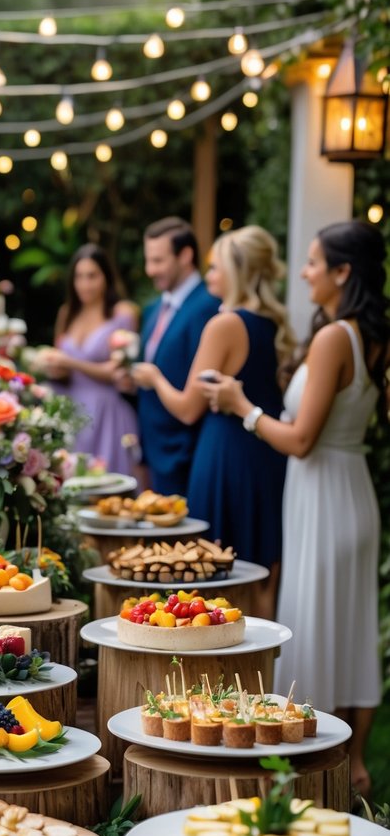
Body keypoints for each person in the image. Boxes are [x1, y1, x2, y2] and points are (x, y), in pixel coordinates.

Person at [205, 221, 389, 798]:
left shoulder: (336, 336)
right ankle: (354, 764)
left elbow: (301, 439)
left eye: (313, 262)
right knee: (354, 630)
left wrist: (243, 406)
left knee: (312, 626)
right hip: (351, 486)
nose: (303, 272)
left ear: (343, 272)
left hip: (322, 491)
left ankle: (309, 764)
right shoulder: (372, 334)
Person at [132, 226, 295, 617]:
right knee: (260, 578)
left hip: (226, 458)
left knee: (219, 579)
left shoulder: (224, 325)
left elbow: (188, 407)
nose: (208, 278)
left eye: (215, 268)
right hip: (266, 458)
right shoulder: (272, 323)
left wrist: (154, 378)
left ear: (237, 271)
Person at [127, 217, 220, 494]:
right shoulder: (152, 308)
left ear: (186, 255)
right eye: (148, 260)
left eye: (158, 261)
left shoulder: (208, 305)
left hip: (186, 453)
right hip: (152, 450)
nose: (150, 270)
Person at [39, 244, 142, 476]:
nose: (85, 284)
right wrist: (52, 368)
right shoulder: (67, 313)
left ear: (106, 276)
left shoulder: (122, 314)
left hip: (107, 414)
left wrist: (70, 362)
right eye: (79, 277)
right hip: (71, 412)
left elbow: (118, 370)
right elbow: (61, 367)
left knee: (108, 489)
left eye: (92, 276)